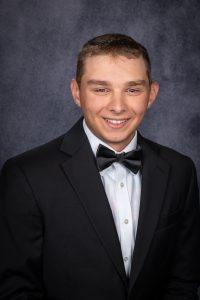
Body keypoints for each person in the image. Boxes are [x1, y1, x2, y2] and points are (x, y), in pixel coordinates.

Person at [0, 33, 200, 300]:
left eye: (132, 89)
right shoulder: (25, 176)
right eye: (101, 89)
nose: (117, 106)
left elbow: (183, 283)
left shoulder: (180, 170)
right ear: (76, 92)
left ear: (151, 94)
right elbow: (16, 290)